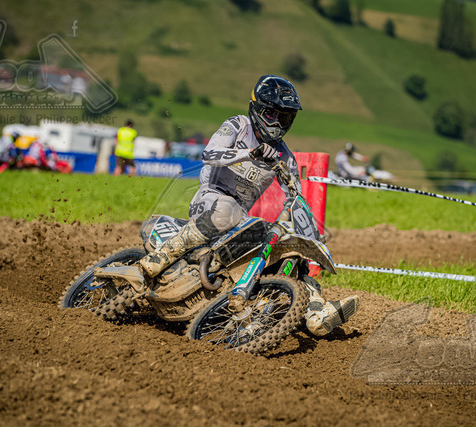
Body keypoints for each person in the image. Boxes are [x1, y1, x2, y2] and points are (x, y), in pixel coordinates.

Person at [137, 75, 359, 336]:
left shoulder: (284, 157)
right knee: (228, 211)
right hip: (210, 199)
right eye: (271, 115)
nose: (277, 124)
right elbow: (209, 154)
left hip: (240, 218)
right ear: (257, 109)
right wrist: (249, 153)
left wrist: (309, 235)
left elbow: (296, 197)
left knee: (286, 249)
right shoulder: (238, 125)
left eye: (285, 118)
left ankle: (314, 310)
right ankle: (161, 256)